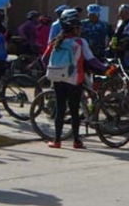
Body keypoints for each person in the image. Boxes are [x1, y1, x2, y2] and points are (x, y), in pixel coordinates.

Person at [41, 13, 108, 148]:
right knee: (74, 110)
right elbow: (91, 60)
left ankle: (57, 140)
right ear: (74, 29)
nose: (80, 30)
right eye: (79, 28)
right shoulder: (80, 42)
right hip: (74, 80)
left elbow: (44, 59)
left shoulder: (56, 41)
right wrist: (105, 68)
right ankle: (76, 141)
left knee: (60, 110)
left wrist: (55, 70)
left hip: (58, 79)